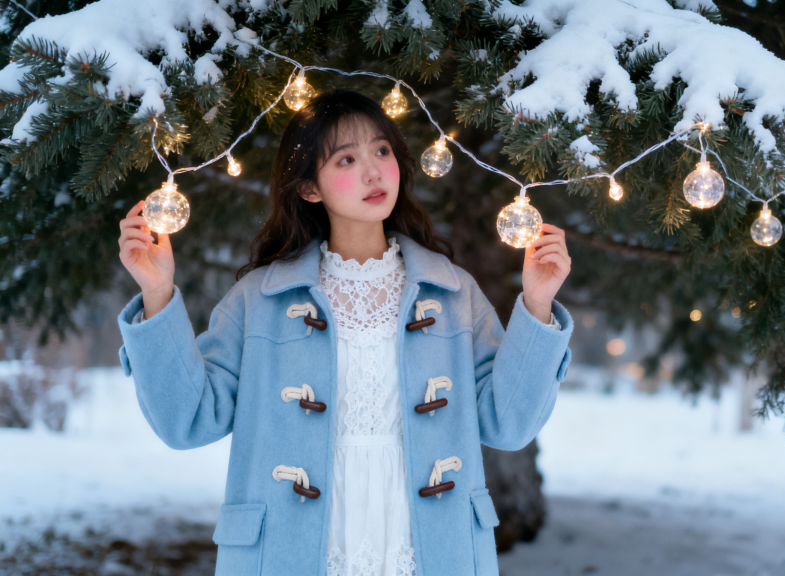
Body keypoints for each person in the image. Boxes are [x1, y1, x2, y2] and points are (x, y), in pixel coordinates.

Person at [114, 89, 573, 576]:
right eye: (346, 159)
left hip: (427, 550)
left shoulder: (453, 293)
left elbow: (509, 424)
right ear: (310, 187)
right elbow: (188, 421)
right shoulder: (260, 299)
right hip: (293, 553)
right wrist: (157, 292)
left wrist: (538, 304)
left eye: (382, 150)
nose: (373, 171)